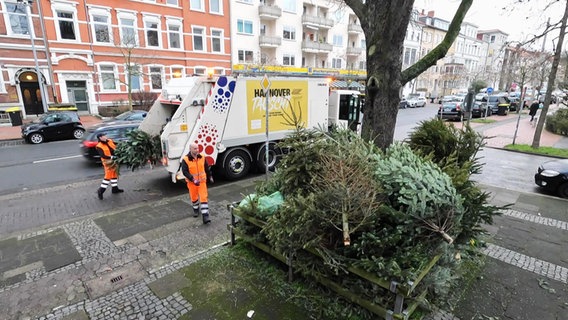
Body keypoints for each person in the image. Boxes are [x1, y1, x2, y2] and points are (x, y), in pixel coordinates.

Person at [181, 143, 214, 224]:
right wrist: (193, 179)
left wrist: (210, 176)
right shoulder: (185, 159)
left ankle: (205, 216)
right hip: (192, 183)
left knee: (203, 198)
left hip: (202, 182)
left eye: (198, 148)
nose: (197, 150)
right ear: (190, 149)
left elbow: (207, 167)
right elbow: (185, 172)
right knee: (194, 197)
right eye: (195, 149)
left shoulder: (202, 157)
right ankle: (196, 210)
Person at [95, 133, 123, 199]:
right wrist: (112, 157)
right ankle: (100, 191)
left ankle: (115, 189)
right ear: (100, 138)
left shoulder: (110, 140)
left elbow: (117, 144)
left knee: (114, 174)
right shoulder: (99, 146)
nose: (105, 136)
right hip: (107, 163)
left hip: (114, 161)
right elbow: (103, 156)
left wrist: (122, 143)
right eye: (104, 136)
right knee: (108, 177)